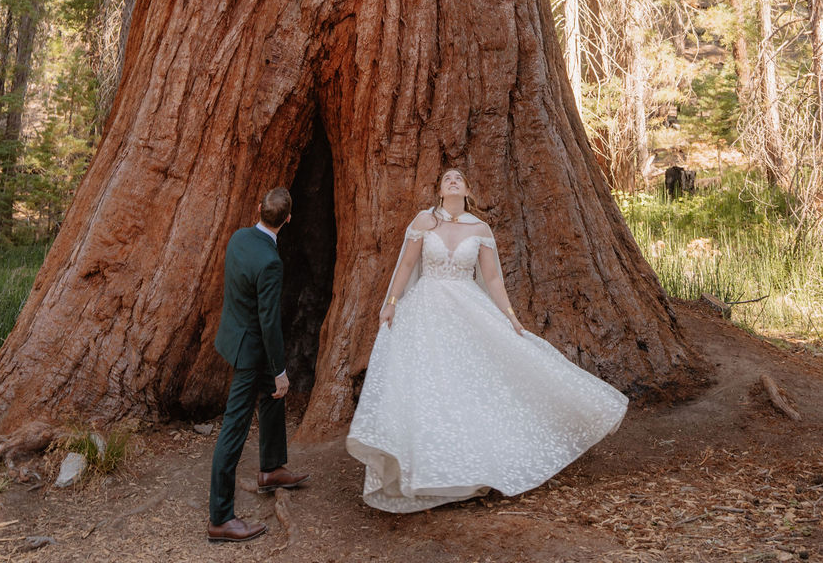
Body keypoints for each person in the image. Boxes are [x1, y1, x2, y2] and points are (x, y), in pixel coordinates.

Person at [346, 167, 628, 512]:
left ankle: (473, 468)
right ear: (439, 189)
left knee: (470, 385)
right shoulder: (423, 221)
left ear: (467, 190)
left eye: (459, 178)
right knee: (429, 386)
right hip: (425, 311)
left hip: (467, 309)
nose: (452, 180)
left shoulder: (480, 229)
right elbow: (405, 267)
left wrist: (510, 317)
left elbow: (492, 278)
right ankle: (427, 469)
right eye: (447, 177)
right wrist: (390, 304)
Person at [207, 186, 309, 542]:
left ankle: (271, 469)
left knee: (273, 397)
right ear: (289, 220)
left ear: (259, 208)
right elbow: (269, 322)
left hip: (236, 337)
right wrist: (279, 370)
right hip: (252, 350)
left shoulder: (238, 238)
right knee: (234, 427)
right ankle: (220, 517)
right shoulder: (270, 262)